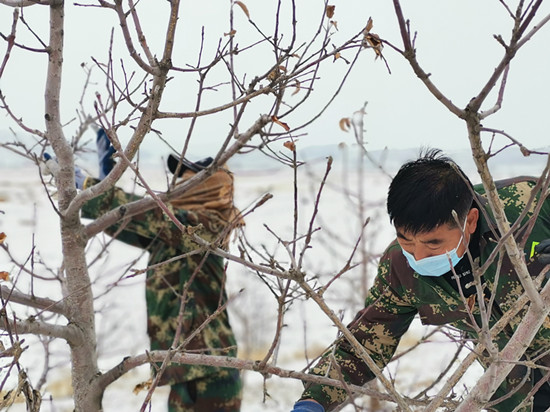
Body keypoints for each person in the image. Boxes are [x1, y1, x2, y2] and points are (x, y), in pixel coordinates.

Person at [291, 149, 550, 412]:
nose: (419, 255)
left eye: (433, 243)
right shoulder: (402, 267)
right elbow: (366, 341)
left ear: (469, 221)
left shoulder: (527, 206)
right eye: (406, 240)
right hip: (512, 389)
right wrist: (314, 400)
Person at [81, 129, 243, 412]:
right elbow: (128, 223)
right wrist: (99, 191)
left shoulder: (209, 226)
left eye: (188, 177)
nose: (178, 183)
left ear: (212, 183)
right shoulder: (174, 233)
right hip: (186, 368)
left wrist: (90, 189)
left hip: (209, 369)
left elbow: (157, 218)